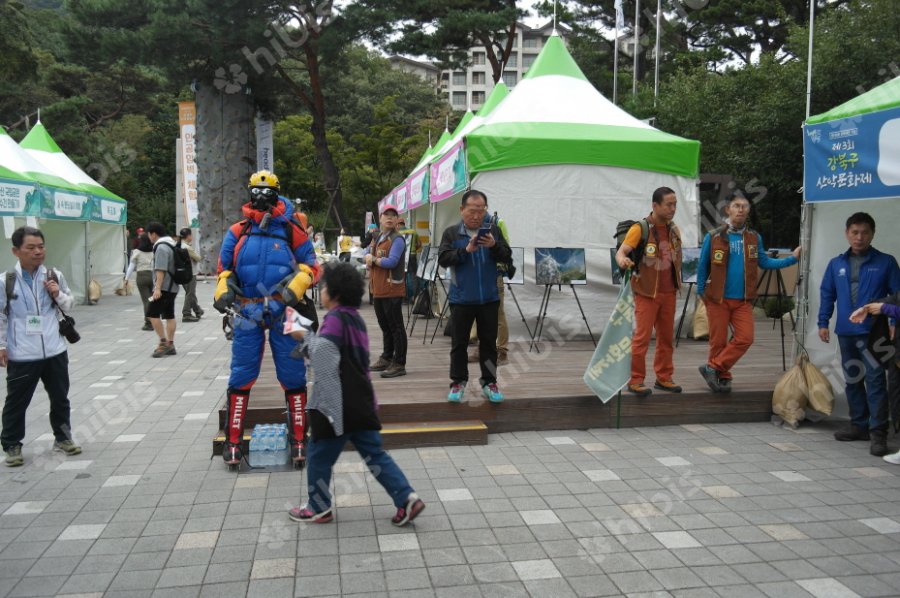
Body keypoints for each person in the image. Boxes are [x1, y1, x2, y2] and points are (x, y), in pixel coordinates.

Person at [286, 262, 425, 526]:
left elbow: (324, 357)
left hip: (334, 406)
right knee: (376, 455)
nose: (322, 290)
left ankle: (318, 507)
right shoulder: (355, 319)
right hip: (362, 402)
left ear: (334, 292)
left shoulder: (335, 320)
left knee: (318, 455)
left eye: (324, 286)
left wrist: (301, 335)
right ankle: (407, 498)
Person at [214, 170, 320, 467]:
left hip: (284, 309)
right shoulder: (238, 230)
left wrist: (297, 285)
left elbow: (311, 266)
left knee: (293, 373)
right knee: (242, 374)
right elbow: (224, 268)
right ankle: (232, 440)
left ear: (276, 193)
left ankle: (299, 437)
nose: (261, 197)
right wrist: (223, 289)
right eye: (256, 191)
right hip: (247, 310)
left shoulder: (291, 228)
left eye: (267, 191)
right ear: (249, 192)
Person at [696, 192, 800, 393]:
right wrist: (701, 291)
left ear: (749, 211)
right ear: (728, 209)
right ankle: (722, 375)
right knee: (718, 341)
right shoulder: (714, 235)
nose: (740, 209)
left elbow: (765, 262)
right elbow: (702, 266)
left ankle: (713, 368)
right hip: (717, 298)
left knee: (745, 338)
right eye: (736, 205)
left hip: (743, 300)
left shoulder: (754, 237)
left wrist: (792, 259)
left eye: (744, 206)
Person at [819, 212, 900, 456]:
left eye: (864, 232)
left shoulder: (886, 262)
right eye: (854, 232)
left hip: (874, 333)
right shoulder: (836, 264)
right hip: (846, 332)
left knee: (875, 381)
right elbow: (827, 294)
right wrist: (823, 322)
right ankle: (859, 425)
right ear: (847, 234)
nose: (859, 237)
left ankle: (879, 433)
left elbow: (897, 294)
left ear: (872, 234)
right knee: (853, 379)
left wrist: (893, 320)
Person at [1, 226, 81, 467]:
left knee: (60, 397)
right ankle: (12, 444)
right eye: (31, 248)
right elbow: (1, 316)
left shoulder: (53, 275)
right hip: (22, 353)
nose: (38, 252)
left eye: (41, 246)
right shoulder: (6, 281)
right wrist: (1, 345)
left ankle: (63, 437)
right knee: (17, 401)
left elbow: (69, 305)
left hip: (54, 349)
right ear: (16, 251)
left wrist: (58, 294)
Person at [438, 190, 511, 403]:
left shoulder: (493, 231)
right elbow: (443, 258)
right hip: (461, 298)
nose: (477, 216)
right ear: (462, 210)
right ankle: (458, 382)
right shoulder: (452, 233)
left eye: (481, 210)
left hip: (489, 297)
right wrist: (465, 251)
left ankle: (489, 382)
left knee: (489, 343)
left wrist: (494, 246)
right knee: (459, 343)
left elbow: (507, 256)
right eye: (472, 211)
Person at [615, 187, 683, 396]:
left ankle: (664, 378)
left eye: (675, 204)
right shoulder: (640, 228)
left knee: (666, 338)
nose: (672, 209)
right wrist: (623, 260)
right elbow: (621, 252)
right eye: (668, 204)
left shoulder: (674, 230)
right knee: (641, 338)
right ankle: (635, 380)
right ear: (655, 205)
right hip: (646, 293)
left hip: (669, 292)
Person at [366, 205, 407, 378]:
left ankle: (399, 363)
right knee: (385, 326)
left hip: (392, 289)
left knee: (396, 327)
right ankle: (387, 357)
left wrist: (373, 259)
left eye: (393, 215)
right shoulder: (378, 237)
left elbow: (392, 262)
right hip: (378, 290)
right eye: (386, 215)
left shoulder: (397, 239)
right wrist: (367, 256)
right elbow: (367, 255)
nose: (390, 218)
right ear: (380, 218)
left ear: (397, 220)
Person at [468, 213, 512, 365]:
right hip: (477, 278)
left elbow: (505, 252)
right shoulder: (466, 226)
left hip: (494, 276)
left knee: (498, 315)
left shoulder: (495, 224)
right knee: (480, 314)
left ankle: (502, 352)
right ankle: (482, 349)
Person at [146, 222, 180, 358]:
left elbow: (161, 269)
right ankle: (170, 344)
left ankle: (163, 343)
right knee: (169, 315)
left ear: (153, 234)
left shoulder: (161, 247)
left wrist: (157, 288)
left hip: (164, 287)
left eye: (149, 234)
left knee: (152, 314)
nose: (149, 237)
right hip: (173, 286)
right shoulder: (172, 244)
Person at [124, 233, 154, 331]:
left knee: (146, 300)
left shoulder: (137, 252)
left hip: (141, 276)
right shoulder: (153, 251)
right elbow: (155, 266)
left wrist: (126, 279)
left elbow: (131, 266)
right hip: (151, 275)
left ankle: (148, 322)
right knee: (151, 298)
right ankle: (153, 318)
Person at [178, 228, 204, 322]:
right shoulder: (187, 248)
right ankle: (186, 314)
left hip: (181, 273)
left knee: (190, 293)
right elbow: (197, 258)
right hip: (190, 273)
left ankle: (198, 310)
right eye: (191, 235)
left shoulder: (178, 246)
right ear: (188, 236)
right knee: (190, 293)